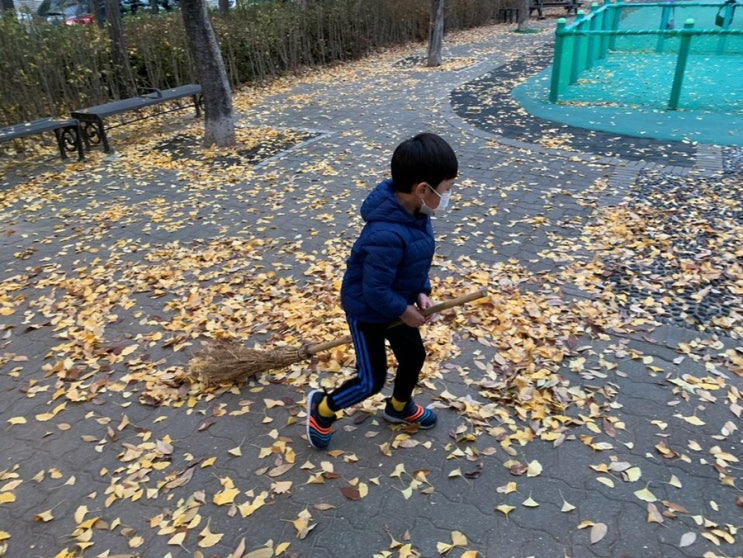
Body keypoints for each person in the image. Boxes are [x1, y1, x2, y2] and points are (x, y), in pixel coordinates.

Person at [306, 132, 459, 449]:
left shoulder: (416, 215)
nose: (448, 196)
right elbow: (374, 290)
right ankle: (322, 409)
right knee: (370, 380)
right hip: (367, 312)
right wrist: (404, 311)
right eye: (447, 189)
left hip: (397, 302)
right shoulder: (385, 234)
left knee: (414, 355)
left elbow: (413, 265)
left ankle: (399, 407)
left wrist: (421, 292)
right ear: (422, 190)